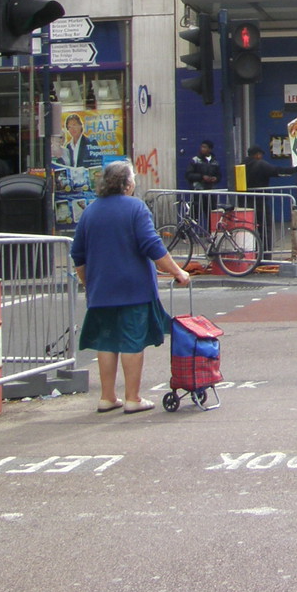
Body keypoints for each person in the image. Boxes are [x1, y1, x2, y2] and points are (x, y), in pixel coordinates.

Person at [70, 159, 191, 414]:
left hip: (101, 289)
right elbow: (152, 245)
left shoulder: (90, 211)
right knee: (131, 342)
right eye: (133, 177)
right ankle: (132, 398)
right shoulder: (136, 208)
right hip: (133, 288)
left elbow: (78, 255)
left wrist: (87, 283)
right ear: (126, 183)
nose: (135, 180)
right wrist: (178, 271)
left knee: (107, 341)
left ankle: (106, 397)